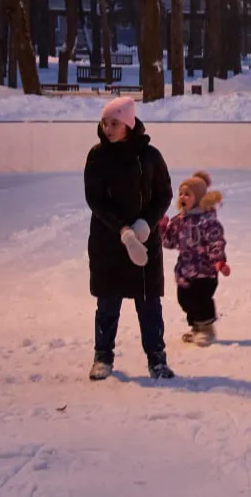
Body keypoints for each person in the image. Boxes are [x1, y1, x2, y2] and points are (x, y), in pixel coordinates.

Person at [84, 96, 175, 380]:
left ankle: (156, 359)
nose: (108, 128)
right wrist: (122, 229)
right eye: (105, 123)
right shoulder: (97, 156)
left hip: (144, 242)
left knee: (149, 304)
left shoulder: (150, 156)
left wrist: (146, 224)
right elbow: (96, 200)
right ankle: (103, 356)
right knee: (108, 303)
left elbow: (164, 194)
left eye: (115, 123)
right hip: (108, 242)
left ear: (129, 124)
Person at [160, 171, 230, 347]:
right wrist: (161, 229)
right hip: (184, 271)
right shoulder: (179, 220)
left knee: (201, 300)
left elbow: (216, 241)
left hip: (205, 271)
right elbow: (169, 243)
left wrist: (219, 261)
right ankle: (196, 329)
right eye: (181, 194)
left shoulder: (208, 221)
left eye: (187, 194)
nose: (183, 197)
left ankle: (207, 330)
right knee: (184, 299)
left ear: (198, 197)